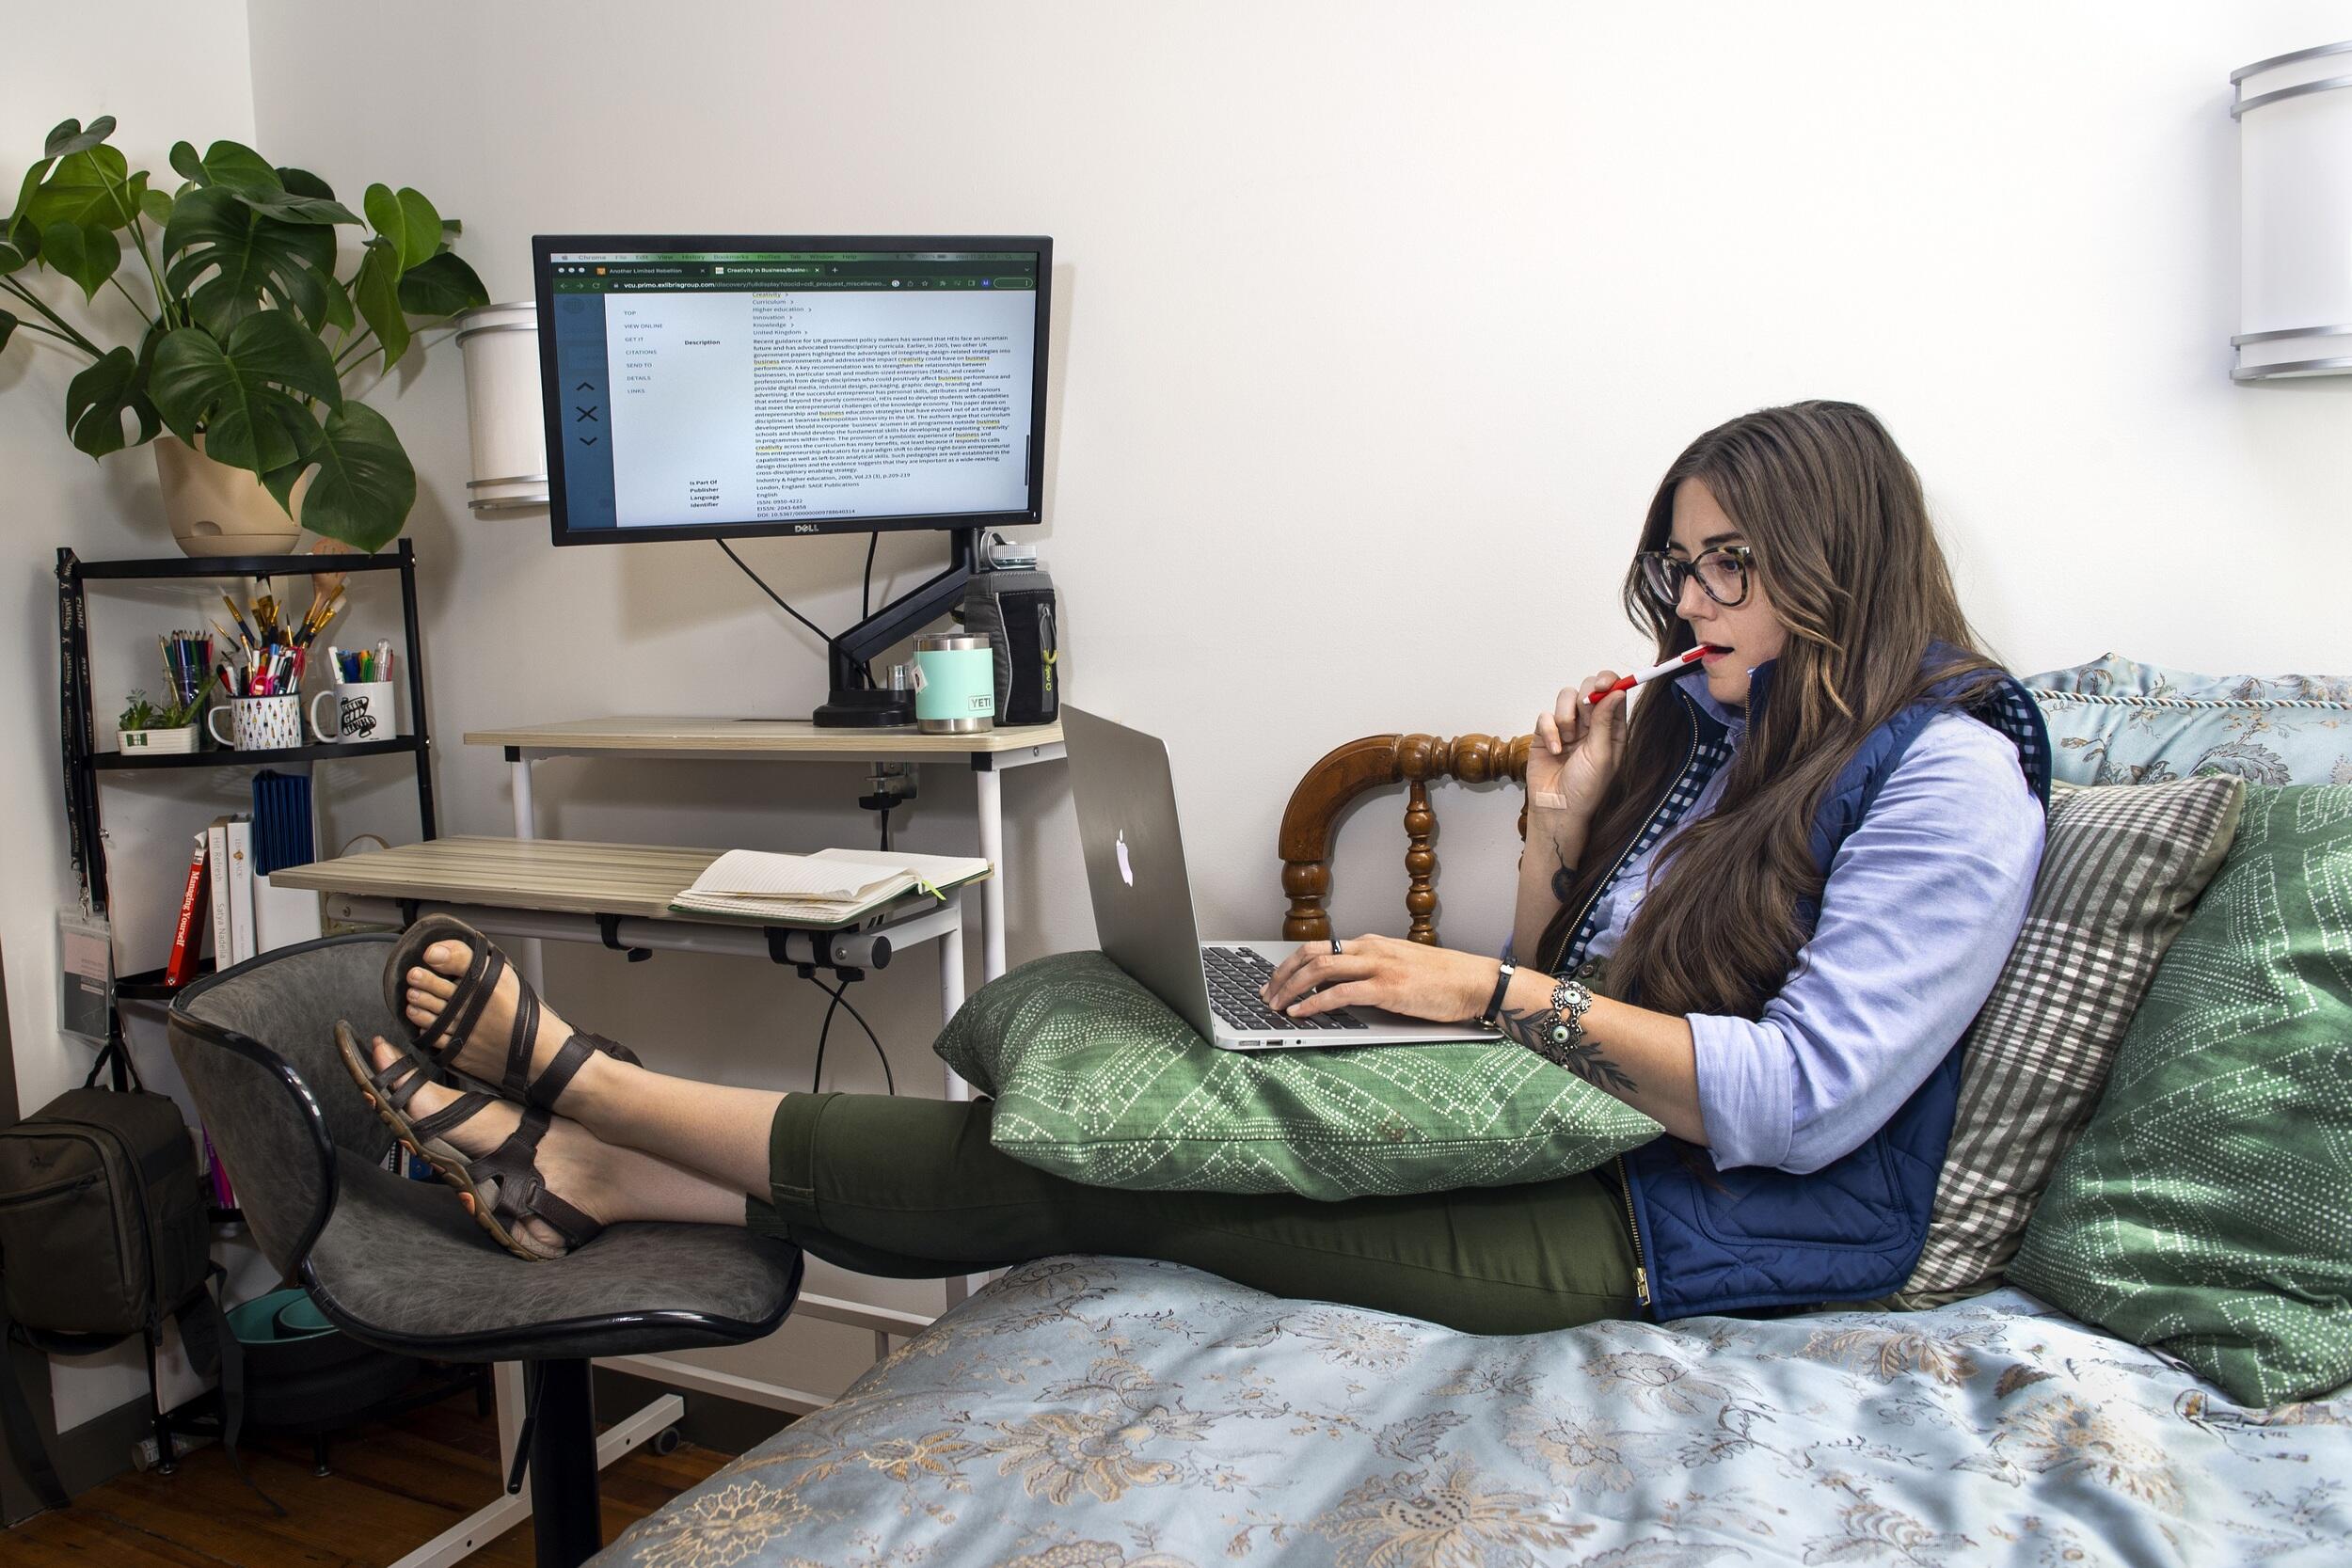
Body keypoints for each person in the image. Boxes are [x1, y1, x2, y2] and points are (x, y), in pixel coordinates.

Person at [341, 400, 2047, 1332]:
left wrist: (1485, 987)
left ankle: (609, 1113)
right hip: (1567, 1133)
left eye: (1728, 567)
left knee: (1107, 1182)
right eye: (1675, 570)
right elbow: (1590, 994)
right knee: (1111, 1080)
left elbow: (1811, 1098)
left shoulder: (1954, 772)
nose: (1688, 609)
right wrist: (1551, 835)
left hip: (1691, 1231)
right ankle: (614, 1173)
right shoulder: (1724, 732)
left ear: (1842, 558)